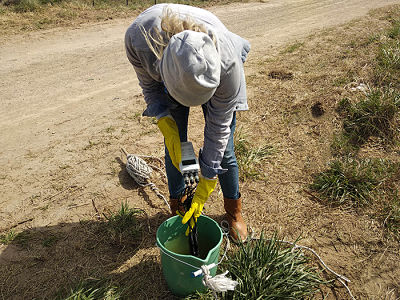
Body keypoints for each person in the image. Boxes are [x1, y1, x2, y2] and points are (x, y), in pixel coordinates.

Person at [125, 3, 250, 241]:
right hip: (164, 63)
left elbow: (219, 128)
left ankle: (234, 212)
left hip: (220, 68)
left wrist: (206, 184)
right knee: (176, 147)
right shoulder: (139, 40)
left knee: (224, 152)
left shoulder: (228, 66)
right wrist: (164, 120)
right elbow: (150, 87)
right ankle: (178, 204)